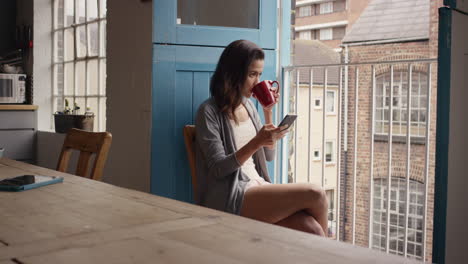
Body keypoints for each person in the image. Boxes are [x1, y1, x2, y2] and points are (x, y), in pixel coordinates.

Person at [195, 39, 328, 236]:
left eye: (259, 74)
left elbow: (268, 156)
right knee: (316, 194)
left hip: (257, 184)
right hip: (232, 194)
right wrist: (257, 141)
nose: (257, 82)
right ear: (233, 73)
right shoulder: (208, 111)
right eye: (252, 74)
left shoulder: (249, 107)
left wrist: (268, 113)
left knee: (313, 229)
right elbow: (217, 169)